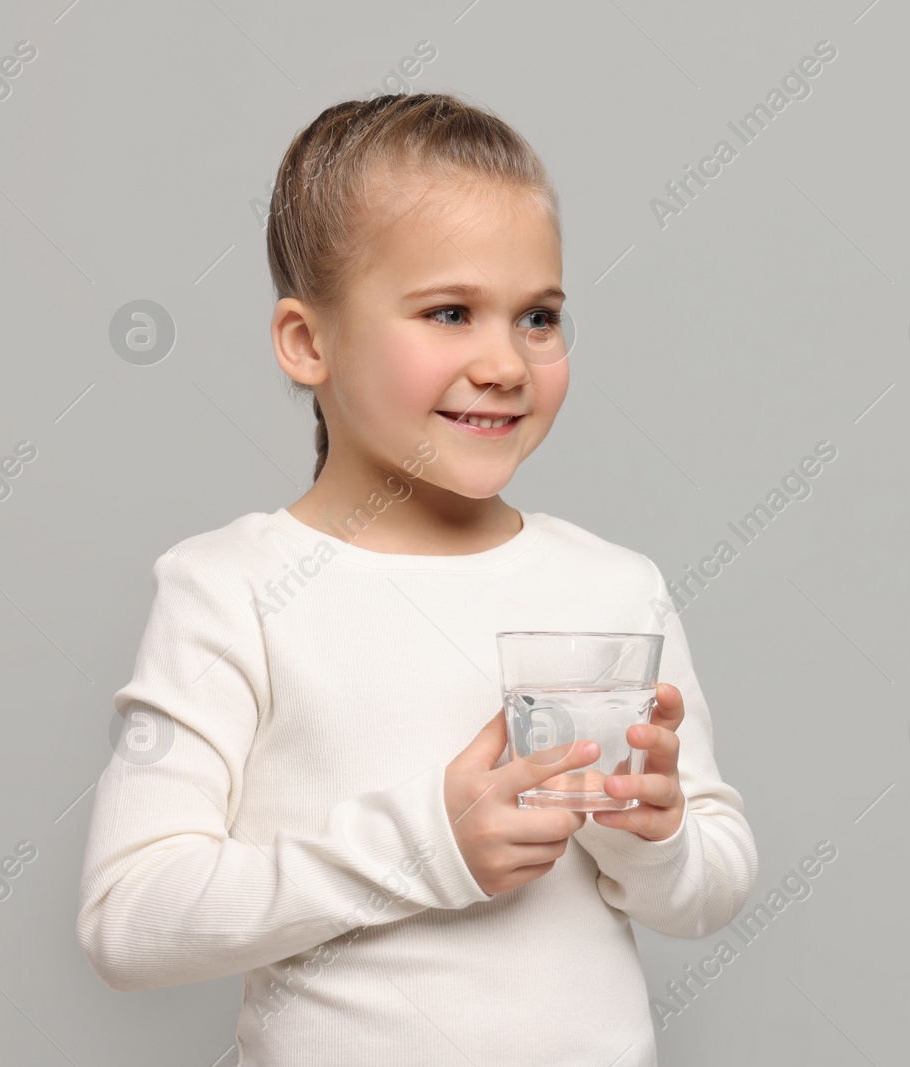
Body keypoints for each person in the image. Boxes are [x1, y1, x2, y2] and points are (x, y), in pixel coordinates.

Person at [76, 91, 758, 1066]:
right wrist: (425, 840)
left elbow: (712, 882)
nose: (505, 362)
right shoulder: (232, 588)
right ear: (308, 343)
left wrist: (651, 834)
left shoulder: (614, 585)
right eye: (449, 311)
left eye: (538, 316)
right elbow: (128, 919)